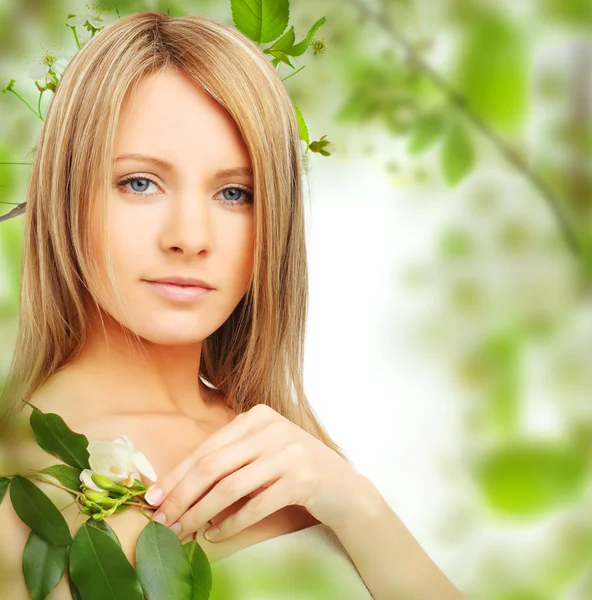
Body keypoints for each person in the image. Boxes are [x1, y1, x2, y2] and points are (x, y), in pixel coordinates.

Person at [0, 11, 466, 599]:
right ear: (66, 196)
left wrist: (360, 507)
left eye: (234, 193)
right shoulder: (20, 482)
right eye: (140, 182)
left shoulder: (290, 444)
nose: (190, 236)